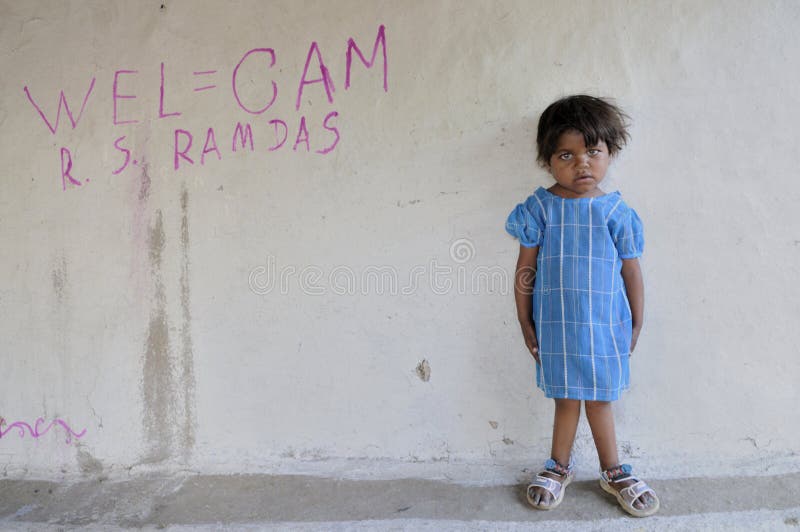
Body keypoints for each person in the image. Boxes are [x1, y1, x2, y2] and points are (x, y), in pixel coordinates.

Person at [504, 95, 659, 517]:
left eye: (593, 152)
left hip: (606, 324)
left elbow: (632, 272)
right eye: (567, 154)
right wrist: (523, 318)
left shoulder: (615, 212)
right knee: (566, 398)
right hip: (556, 324)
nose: (582, 164)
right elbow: (525, 269)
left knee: (600, 398)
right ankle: (559, 465)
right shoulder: (539, 209)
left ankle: (613, 470)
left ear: (609, 153)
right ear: (548, 160)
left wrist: (638, 321)